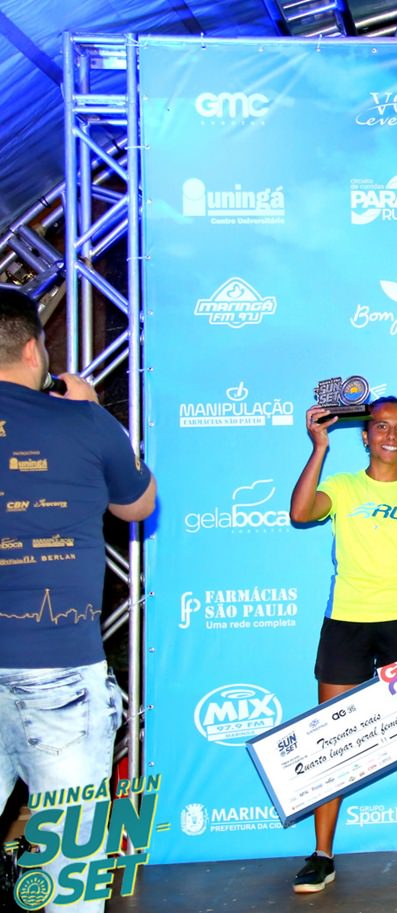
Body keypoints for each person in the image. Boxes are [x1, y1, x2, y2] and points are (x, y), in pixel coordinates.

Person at [0, 288, 156, 913]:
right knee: (70, 866)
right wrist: (91, 412)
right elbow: (139, 505)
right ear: (34, 349)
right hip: (59, 670)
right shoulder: (85, 422)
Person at [288, 396, 397, 893]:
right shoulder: (343, 487)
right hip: (345, 624)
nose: (391, 435)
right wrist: (319, 447)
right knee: (332, 741)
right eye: (382, 427)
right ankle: (322, 855)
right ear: (365, 436)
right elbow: (300, 512)